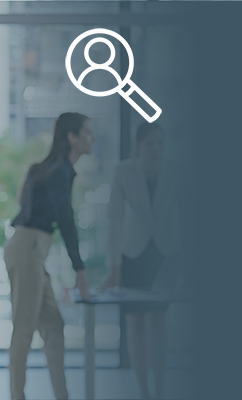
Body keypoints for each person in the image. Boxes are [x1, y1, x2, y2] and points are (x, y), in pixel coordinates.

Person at [4, 112, 94, 400]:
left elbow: (23, 201)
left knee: (54, 325)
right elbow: (66, 221)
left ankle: (62, 396)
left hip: (31, 249)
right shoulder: (60, 172)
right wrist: (80, 270)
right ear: (72, 137)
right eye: (87, 132)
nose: (92, 138)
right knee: (24, 329)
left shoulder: (45, 168)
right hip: (29, 248)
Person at [103, 122, 182, 399]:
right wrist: (115, 267)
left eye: (160, 143)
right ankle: (143, 391)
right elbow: (114, 221)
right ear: (138, 147)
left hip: (163, 254)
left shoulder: (175, 171)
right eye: (150, 143)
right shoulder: (123, 172)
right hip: (132, 254)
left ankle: (159, 390)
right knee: (135, 322)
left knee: (157, 321)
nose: (155, 149)